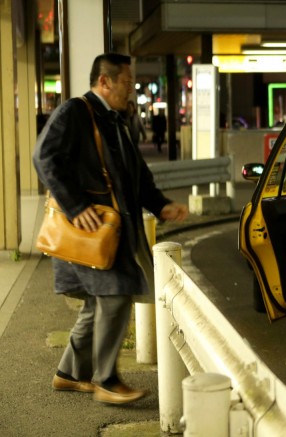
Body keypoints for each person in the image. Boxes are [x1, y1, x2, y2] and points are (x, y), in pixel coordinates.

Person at [33, 53, 189, 405]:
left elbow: (137, 174)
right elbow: (44, 156)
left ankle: (70, 373)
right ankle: (106, 380)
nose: (130, 91)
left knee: (97, 301)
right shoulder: (76, 111)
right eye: (126, 83)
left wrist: (160, 204)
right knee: (116, 294)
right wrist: (75, 206)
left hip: (109, 231)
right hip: (90, 231)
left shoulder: (115, 121)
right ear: (104, 81)